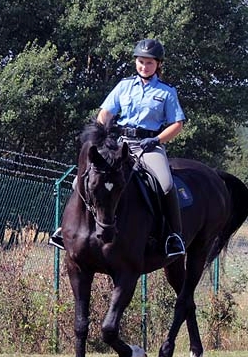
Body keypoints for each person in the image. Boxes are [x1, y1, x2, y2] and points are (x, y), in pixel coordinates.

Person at [50, 38, 187, 261]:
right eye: (141, 62)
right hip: (119, 144)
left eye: (149, 63)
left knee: (165, 183)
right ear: (136, 62)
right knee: (79, 181)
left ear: (158, 64)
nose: (144, 66)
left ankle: (174, 236)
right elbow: (105, 113)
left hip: (149, 145)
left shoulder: (166, 92)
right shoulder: (124, 86)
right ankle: (65, 229)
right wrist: (102, 136)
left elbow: (177, 124)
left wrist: (157, 140)